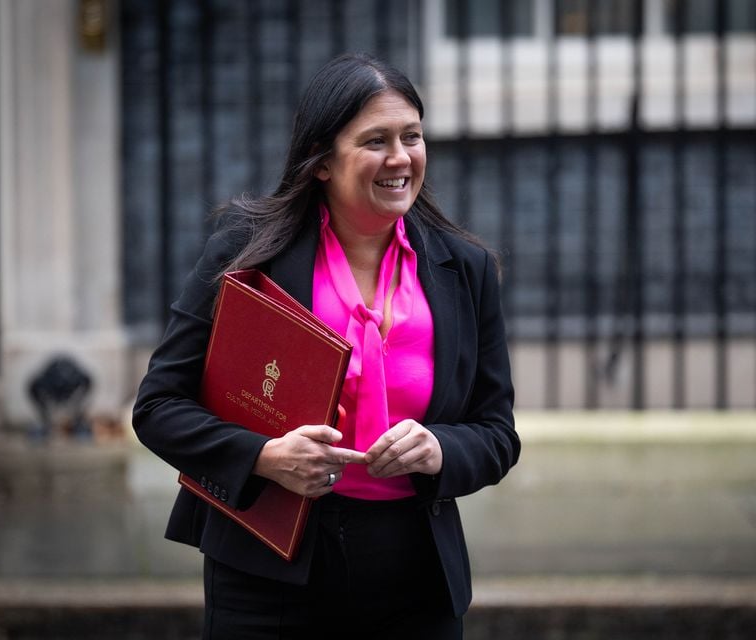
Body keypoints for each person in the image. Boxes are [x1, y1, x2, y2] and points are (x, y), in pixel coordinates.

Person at [133, 52, 519, 639]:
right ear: (321, 163)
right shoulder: (248, 253)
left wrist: (439, 448)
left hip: (414, 572)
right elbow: (158, 408)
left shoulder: (464, 269)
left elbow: (497, 434)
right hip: (270, 575)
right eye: (375, 141)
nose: (400, 158)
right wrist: (267, 458)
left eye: (411, 136)